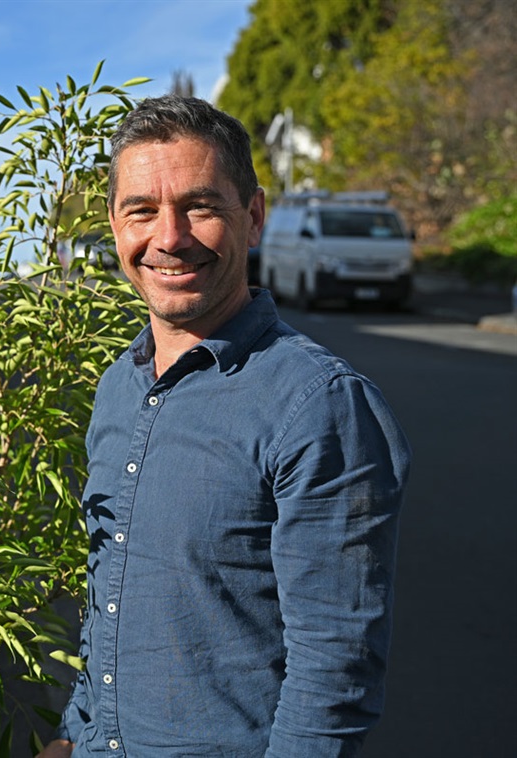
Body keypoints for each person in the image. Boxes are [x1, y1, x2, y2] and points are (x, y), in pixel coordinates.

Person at [37, 96, 410, 757]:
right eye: (141, 211)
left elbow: (335, 670)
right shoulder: (118, 386)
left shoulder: (318, 405)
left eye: (200, 206)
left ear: (255, 216)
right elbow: (111, 595)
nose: (170, 237)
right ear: (115, 228)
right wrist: (74, 732)